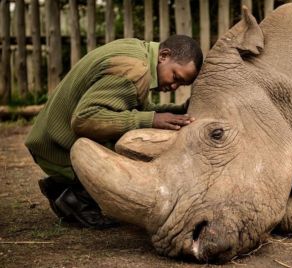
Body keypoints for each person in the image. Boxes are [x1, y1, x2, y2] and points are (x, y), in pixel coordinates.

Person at [25, 35, 203, 229]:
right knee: (136, 145)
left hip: (48, 138)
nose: (174, 86)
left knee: (137, 127)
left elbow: (133, 107)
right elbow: (85, 119)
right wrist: (151, 120)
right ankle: (75, 195)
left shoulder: (137, 52)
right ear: (164, 56)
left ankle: (62, 186)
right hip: (56, 147)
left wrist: (178, 111)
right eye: (176, 77)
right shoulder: (134, 70)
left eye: (181, 84)